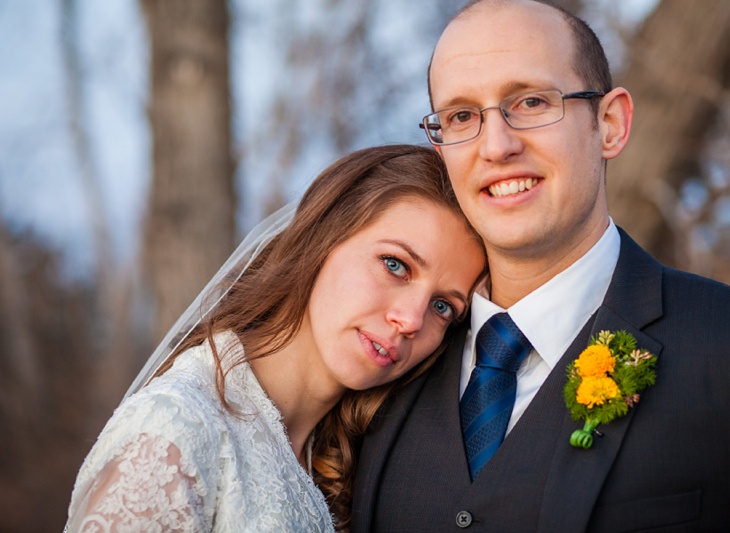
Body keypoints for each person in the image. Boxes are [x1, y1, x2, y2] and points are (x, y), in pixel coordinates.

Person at [352, 1, 730, 532]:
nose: (497, 146)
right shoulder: (384, 364)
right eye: (462, 116)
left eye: (532, 102)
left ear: (609, 124)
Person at [64, 144, 487, 532]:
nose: (411, 320)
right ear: (323, 238)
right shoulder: (179, 430)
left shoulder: (350, 464)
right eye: (395, 265)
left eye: (443, 307)